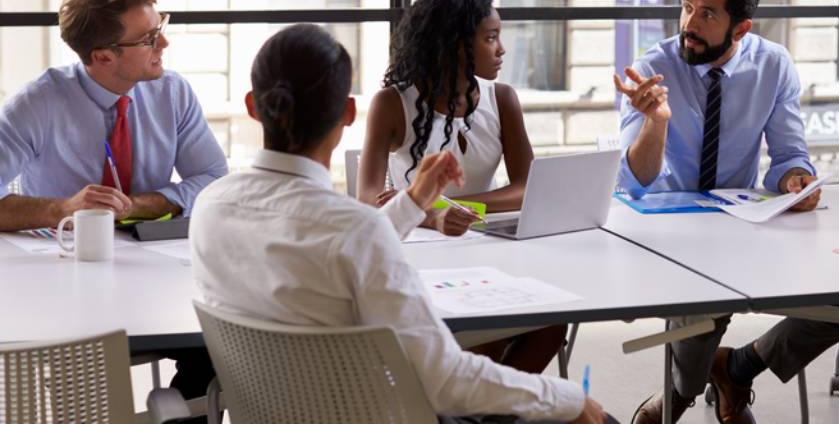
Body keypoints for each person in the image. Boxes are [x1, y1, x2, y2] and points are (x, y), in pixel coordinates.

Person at [191, 24, 612, 424]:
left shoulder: (211, 206)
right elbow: (446, 382)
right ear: (349, 113)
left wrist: (413, 204)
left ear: (252, 105)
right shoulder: (353, 230)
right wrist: (566, 398)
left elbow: (340, 246)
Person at [614, 0, 839, 424]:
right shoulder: (652, 67)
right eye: (687, 7)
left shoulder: (773, 65)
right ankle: (682, 393)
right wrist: (656, 122)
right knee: (701, 309)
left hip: (739, 222)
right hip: (665, 231)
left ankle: (737, 365)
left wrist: (796, 180)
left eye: (707, 14)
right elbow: (637, 178)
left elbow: (789, 153)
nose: (690, 23)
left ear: (741, 27)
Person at [0, 0, 227, 399]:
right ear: (102, 56)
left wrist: (139, 204)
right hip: (66, 290)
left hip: (156, 278)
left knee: (219, 346)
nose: (164, 44)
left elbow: (215, 180)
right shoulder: (38, 103)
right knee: (85, 383)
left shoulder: (173, 93)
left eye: (160, 29)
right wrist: (61, 209)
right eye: (148, 39)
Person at [360, 0, 564, 375]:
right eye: (490, 38)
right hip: (419, 257)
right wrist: (432, 215)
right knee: (484, 334)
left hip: (488, 252)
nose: (502, 49)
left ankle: (490, 415)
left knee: (553, 324)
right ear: (456, 44)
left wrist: (454, 206)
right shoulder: (391, 104)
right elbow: (367, 203)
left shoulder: (501, 99)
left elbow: (528, 188)